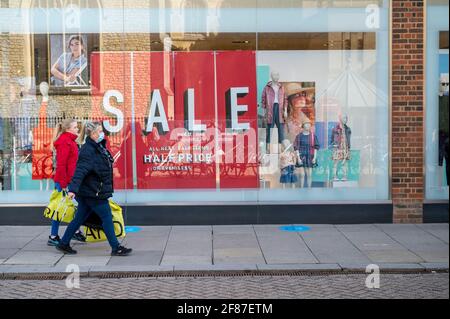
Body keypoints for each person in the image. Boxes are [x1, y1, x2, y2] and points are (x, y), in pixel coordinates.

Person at [56, 122, 132, 256]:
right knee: (107, 217)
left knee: (79, 217)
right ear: (92, 134)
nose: (102, 133)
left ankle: (64, 243)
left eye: (101, 131)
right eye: (99, 131)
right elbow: (80, 171)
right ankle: (116, 247)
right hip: (93, 191)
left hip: (91, 190)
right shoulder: (88, 150)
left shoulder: (97, 146)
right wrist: (72, 189)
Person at [48, 119, 86, 246]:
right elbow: (62, 164)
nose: (77, 129)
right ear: (68, 129)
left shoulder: (70, 140)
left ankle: (75, 230)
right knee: (60, 208)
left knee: (76, 205)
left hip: (71, 180)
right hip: (64, 181)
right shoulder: (65, 142)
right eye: (75, 127)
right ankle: (53, 236)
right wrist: (64, 185)